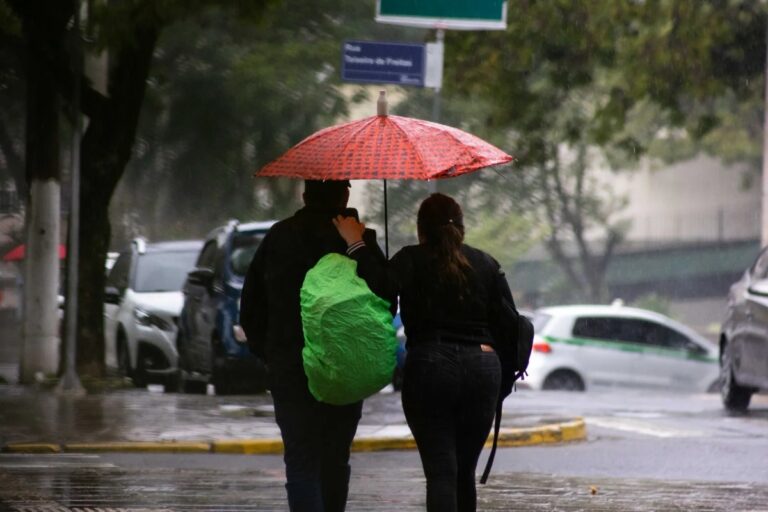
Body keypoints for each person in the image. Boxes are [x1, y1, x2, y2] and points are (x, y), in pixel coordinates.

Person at [334, 192, 510, 512]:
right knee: (463, 473)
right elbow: (509, 324)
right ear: (461, 228)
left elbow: (381, 288)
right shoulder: (486, 263)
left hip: (430, 368)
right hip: (483, 370)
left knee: (442, 472)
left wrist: (357, 244)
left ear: (421, 229)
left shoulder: (410, 259)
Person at [240, 179, 388, 512]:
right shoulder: (359, 239)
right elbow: (385, 299)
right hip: (345, 368)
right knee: (336, 458)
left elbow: (251, 307)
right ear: (345, 194)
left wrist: (271, 354)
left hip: (291, 369)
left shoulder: (279, 237)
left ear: (305, 195)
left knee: (302, 460)